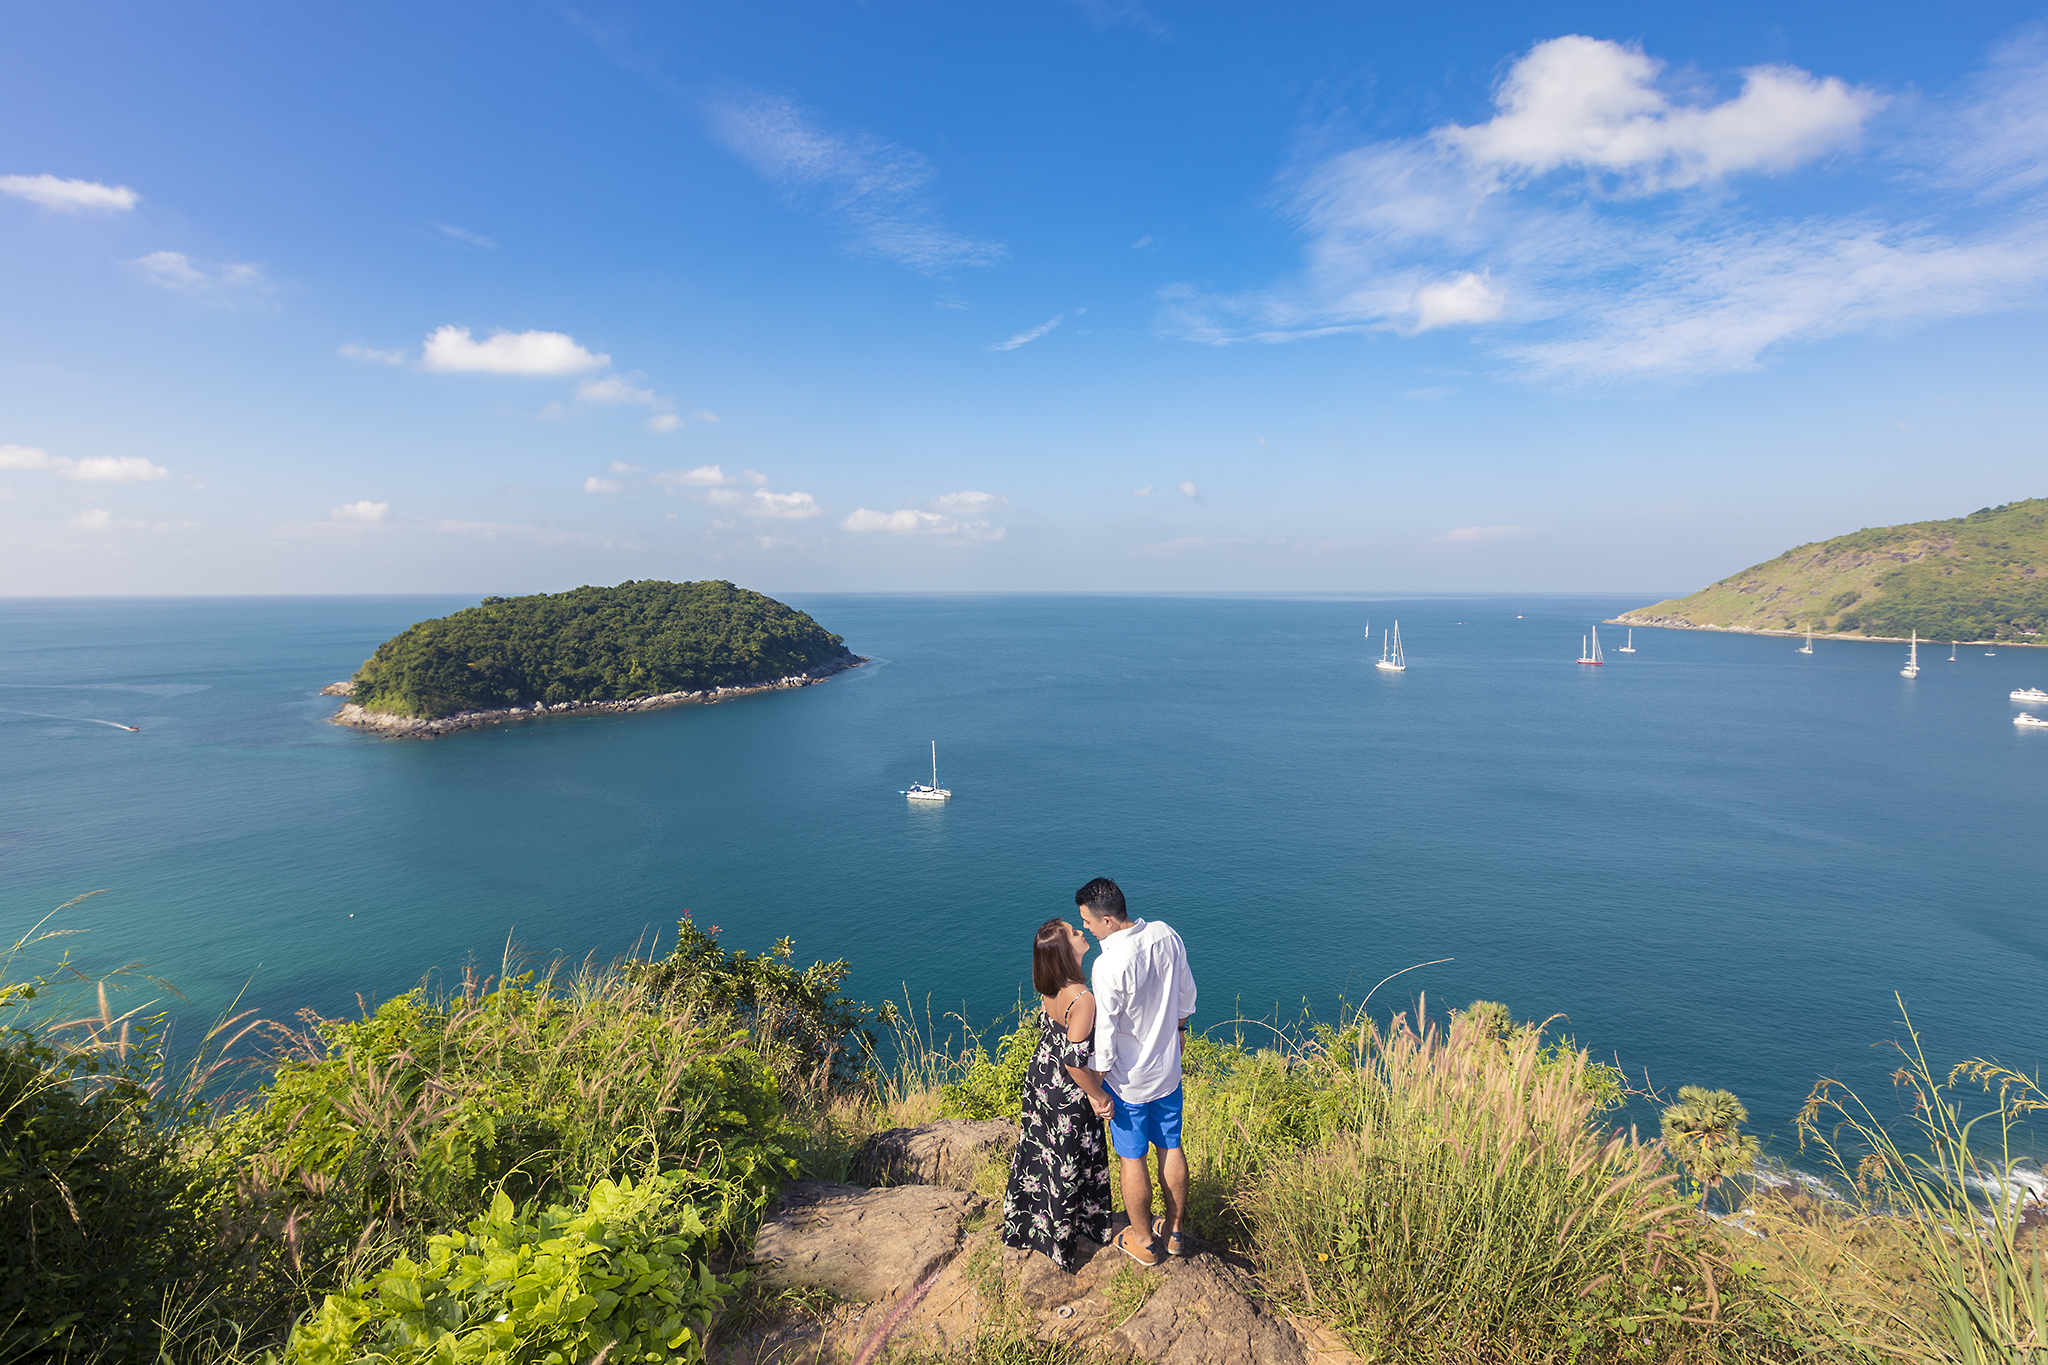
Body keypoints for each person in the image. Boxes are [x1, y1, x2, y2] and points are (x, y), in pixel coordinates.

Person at [1076, 876, 1196, 1268]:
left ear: (1108, 920)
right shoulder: (1166, 934)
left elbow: (1106, 1037)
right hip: (1167, 1072)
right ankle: (1174, 1233)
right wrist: (1178, 1030)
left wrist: (1095, 1085)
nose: (1088, 930)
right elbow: (1186, 992)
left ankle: (1143, 1240)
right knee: (1171, 1146)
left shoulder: (1107, 964)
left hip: (1128, 1082)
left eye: (1090, 923)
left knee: (1132, 1158)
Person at [1000, 917, 1115, 1271]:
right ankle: (1074, 1235)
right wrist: (1099, 1096)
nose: (1082, 934)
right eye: (1074, 933)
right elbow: (1075, 1063)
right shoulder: (1082, 998)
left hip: (1040, 1081)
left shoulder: (1050, 987)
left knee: (1042, 1154)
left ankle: (1033, 1226)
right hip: (1068, 1089)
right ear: (1066, 950)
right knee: (1070, 1160)